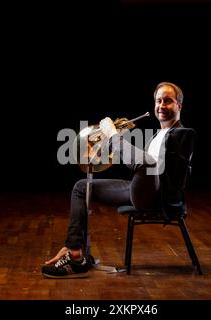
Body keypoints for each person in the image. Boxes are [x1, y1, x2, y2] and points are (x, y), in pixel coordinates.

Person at [41, 82, 190, 279]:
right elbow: (138, 164)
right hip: (141, 190)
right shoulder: (158, 135)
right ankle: (75, 249)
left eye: (168, 101)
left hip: (159, 198)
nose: (162, 105)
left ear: (179, 106)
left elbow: (149, 165)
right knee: (81, 187)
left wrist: (113, 135)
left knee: (147, 161)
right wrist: (107, 141)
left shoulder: (183, 134)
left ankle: (75, 253)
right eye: (158, 101)